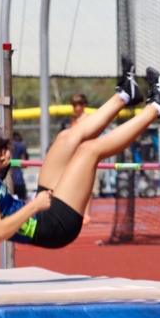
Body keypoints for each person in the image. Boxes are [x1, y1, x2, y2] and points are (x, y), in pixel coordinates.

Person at [0, 56, 160, 249]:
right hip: (54, 226)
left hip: (41, 211)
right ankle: (156, 107)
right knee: (88, 150)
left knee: (67, 137)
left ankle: (125, 94)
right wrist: (34, 206)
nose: (0, 166)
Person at [70, 92, 92, 224]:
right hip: (76, 155)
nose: (75, 108)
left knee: (87, 185)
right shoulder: (74, 121)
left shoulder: (88, 118)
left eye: (77, 105)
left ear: (83, 105)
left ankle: (87, 214)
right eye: (73, 105)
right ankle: (77, 211)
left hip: (87, 154)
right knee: (76, 185)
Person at [12, 132, 29, 200]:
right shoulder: (21, 146)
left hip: (8, 180)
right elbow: (24, 163)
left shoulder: (6, 145)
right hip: (19, 180)